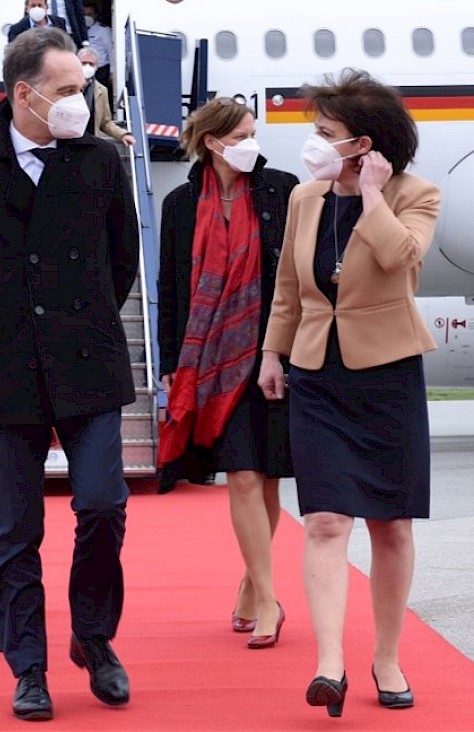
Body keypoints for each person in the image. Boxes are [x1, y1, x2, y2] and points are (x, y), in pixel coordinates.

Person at [0, 27, 139, 722]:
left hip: (89, 361)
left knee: (104, 505)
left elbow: (120, 263)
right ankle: (30, 667)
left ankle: (94, 637)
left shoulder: (101, 162)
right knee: (14, 532)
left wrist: (85, 325)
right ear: (24, 94)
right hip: (7, 369)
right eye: (70, 90)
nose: (83, 101)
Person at [257, 68, 440, 717]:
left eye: (325, 133)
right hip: (317, 375)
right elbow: (286, 285)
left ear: (363, 144)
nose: (313, 143)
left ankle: (386, 656)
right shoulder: (305, 198)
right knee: (327, 519)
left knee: (391, 526)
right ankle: (329, 661)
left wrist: (373, 198)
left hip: (387, 374)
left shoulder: (417, 194)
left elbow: (402, 259)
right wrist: (272, 353)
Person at [157, 97, 297, 649]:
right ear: (213, 142)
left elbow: (293, 275)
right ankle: (268, 600)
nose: (251, 143)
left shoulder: (282, 190)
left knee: (266, 481)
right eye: (241, 134)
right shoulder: (180, 203)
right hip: (212, 360)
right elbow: (171, 287)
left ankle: (248, 586)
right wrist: (171, 362)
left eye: (253, 132)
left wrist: (286, 349)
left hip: (273, 353)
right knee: (241, 475)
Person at [78, 46, 134, 146]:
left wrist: (123, 134)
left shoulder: (101, 90)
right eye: (84, 63)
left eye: (91, 64)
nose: (87, 66)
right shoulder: (64, 85)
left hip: (90, 143)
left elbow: (105, 123)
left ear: (97, 67)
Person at [82, 3, 113, 105]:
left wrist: (113, 72)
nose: (87, 17)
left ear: (95, 15)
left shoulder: (103, 30)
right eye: (84, 14)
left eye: (90, 14)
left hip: (102, 70)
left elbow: (111, 51)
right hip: (85, 68)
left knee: (101, 96)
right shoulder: (80, 29)